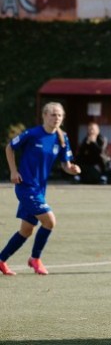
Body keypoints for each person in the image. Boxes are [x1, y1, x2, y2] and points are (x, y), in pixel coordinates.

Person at [0, 102, 81, 276]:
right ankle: (35, 259)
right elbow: (9, 147)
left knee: (26, 230)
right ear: (44, 116)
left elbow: (66, 165)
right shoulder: (33, 134)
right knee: (50, 221)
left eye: (59, 115)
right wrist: (14, 171)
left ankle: (1, 260)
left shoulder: (62, 138)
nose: (56, 118)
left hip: (39, 190)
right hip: (25, 187)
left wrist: (72, 169)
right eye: (52, 114)